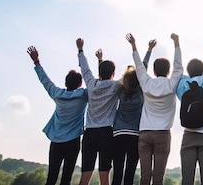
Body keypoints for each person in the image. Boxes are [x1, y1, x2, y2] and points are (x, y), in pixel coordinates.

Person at [126, 33, 183, 185]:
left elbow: (138, 66)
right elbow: (179, 66)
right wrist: (176, 43)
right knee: (158, 177)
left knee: (145, 175)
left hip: (144, 133)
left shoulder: (146, 83)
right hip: (163, 135)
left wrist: (134, 45)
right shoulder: (171, 85)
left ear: (154, 70)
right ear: (168, 71)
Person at [27, 46, 88, 185]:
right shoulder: (83, 95)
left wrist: (37, 62)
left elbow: (45, 81)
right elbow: (94, 85)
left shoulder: (57, 94)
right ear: (80, 83)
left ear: (66, 82)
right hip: (73, 141)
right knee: (66, 178)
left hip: (56, 141)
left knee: (52, 176)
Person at [77, 38, 123, 185]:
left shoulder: (91, 84)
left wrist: (80, 50)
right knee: (104, 176)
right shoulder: (116, 86)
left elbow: (84, 69)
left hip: (89, 133)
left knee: (85, 175)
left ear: (99, 72)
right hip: (106, 133)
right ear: (114, 73)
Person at [108, 40, 155, 185]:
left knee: (117, 172)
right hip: (135, 135)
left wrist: (101, 62)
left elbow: (109, 81)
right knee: (129, 174)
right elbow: (143, 68)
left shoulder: (120, 91)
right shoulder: (141, 93)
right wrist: (149, 50)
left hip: (118, 134)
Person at [176, 35, 203, 185]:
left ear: (188, 71)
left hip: (188, 134)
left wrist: (176, 44)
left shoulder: (182, 84)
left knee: (186, 180)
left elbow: (177, 70)